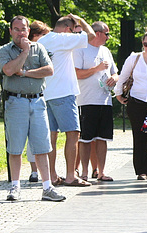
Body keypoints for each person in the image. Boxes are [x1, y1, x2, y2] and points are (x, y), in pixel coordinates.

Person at [0, 16, 65, 201]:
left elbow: (49, 70)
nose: (20, 33)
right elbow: (9, 70)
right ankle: (15, 187)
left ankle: (47, 188)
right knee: (15, 147)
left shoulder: (40, 48)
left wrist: (25, 73)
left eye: (23, 29)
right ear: (11, 31)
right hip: (15, 102)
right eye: (16, 29)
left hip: (37, 102)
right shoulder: (3, 51)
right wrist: (24, 53)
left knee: (42, 146)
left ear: (28, 30)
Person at [37, 14, 96, 187]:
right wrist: (81, 20)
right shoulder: (62, 38)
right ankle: (70, 175)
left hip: (46, 94)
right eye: (73, 29)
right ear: (67, 29)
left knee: (51, 137)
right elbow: (91, 36)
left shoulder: (42, 40)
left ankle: (52, 175)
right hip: (63, 94)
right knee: (73, 134)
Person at [114, 28, 147, 181]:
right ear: (142, 44)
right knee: (139, 136)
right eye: (146, 44)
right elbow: (123, 76)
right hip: (137, 101)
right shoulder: (134, 58)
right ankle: (141, 171)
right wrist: (118, 93)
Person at [73, 21, 119, 182]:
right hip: (86, 100)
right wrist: (96, 69)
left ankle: (101, 172)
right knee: (85, 139)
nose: (108, 37)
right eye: (107, 34)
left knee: (102, 138)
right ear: (97, 33)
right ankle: (84, 172)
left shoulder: (106, 50)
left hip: (105, 100)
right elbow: (76, 73)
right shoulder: (81, 49)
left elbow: (115, 72)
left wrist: (114, 79)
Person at [25, 19, 51, 183]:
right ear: (35, 35)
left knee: (42, 136)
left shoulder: (43, 50)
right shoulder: (25, 51)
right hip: (28, 97)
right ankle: (34, 170)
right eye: (44, 36)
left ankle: (43, 173)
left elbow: (49, 70)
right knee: (29, 135)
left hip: (43, 96)